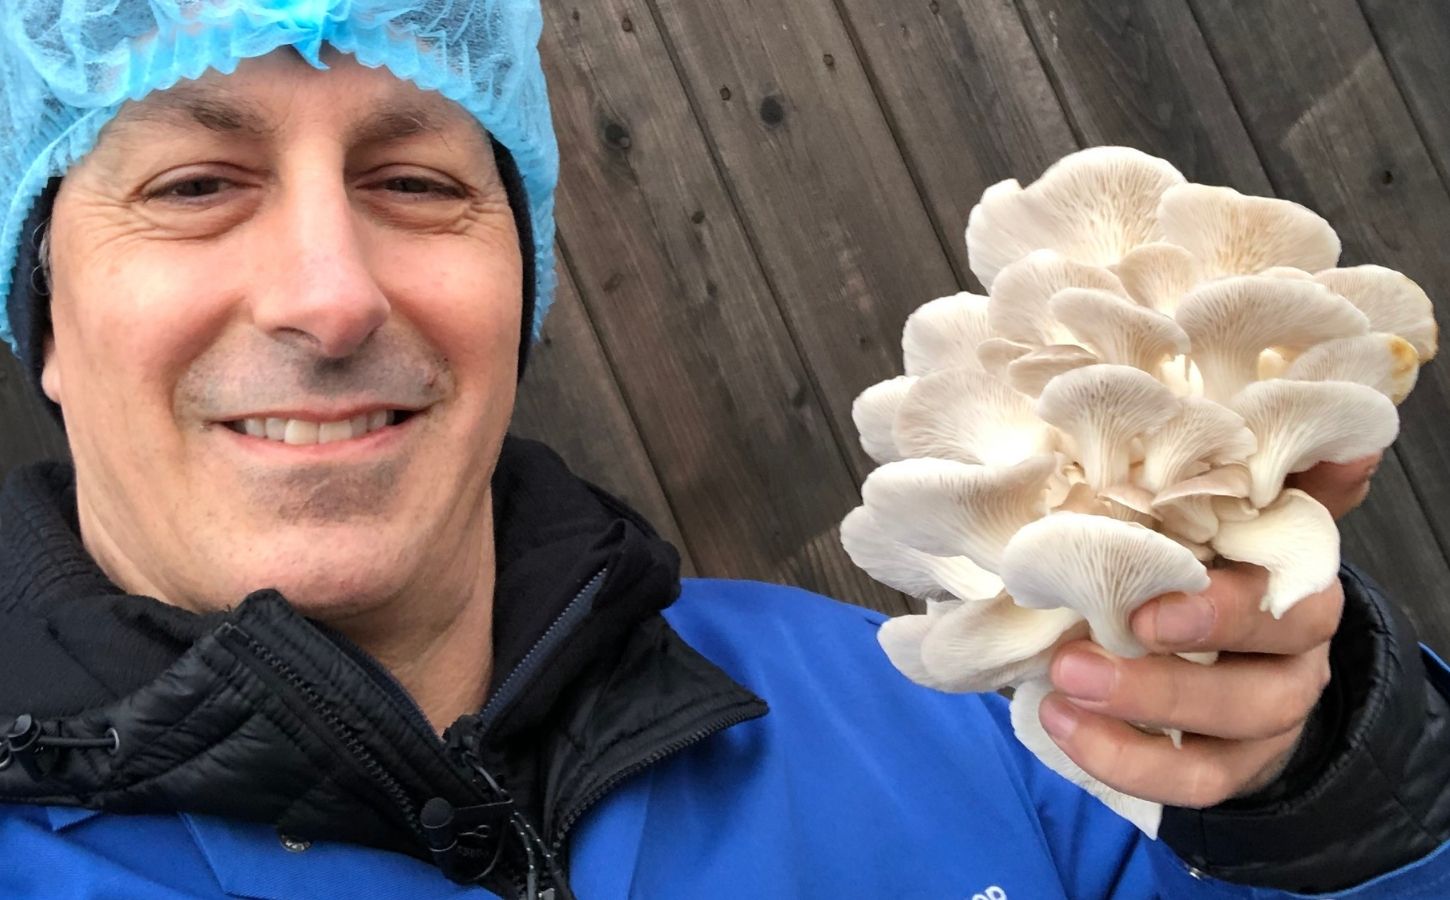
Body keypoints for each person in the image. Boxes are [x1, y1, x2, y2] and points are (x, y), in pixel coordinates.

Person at [0, 3, 1446, 898]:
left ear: (522, 281)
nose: (328, 294)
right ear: (43, 315)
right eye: (193, 184)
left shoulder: (946, 726)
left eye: (414, 180)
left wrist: (1340, 794)